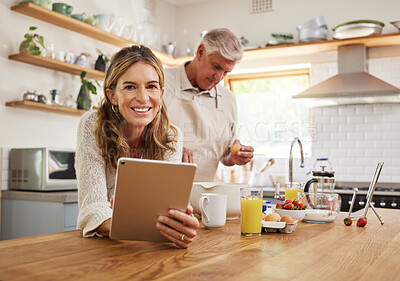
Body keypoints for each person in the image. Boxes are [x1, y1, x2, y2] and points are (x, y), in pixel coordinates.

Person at [75, 45, 199, 248]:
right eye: (130, 87)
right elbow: (92, 207)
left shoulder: (172, 136)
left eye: (151, 86)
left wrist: (181, 222)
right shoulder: (92, 125)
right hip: (102, 249)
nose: (143, 97)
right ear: (112, 95)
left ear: (161, 93)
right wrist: (132, 221)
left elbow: (168, 208)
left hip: (150, 249)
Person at [163, 28, 254, 182]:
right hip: (162, 191)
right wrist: (169, 150)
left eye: (226, 73)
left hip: (204, 197)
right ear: (200, 52)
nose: (218, 77)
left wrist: (233, 157)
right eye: (216, 67)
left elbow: (225, 154)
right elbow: (135, 138)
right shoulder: (160, 82)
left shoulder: (227, 99)